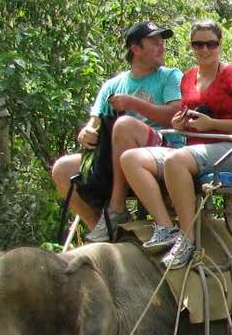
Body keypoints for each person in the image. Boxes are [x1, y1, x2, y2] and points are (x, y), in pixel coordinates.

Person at [120, 20, 232, 270]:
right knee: (131, 158)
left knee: (177, 160)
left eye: (210, 44)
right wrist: (179, 123)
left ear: (219, 45)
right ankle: (165, 226)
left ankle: (188, 240)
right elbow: (187, 118)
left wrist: (211, 124)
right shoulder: (187, 77)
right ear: (191, 47)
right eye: (198, 44)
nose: (204, 50)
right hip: (195, 149)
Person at [50, 21, 183, 241]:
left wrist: (133, 104)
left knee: (124, 125)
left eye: (162, 42)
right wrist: (87, 133)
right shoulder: (113, 85)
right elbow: (94, 122)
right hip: (115, 158)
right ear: (136, 49)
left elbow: (174, 115)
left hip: (163, 151)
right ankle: (104, 232)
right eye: (154, 42)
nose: (162, 47)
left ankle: (116, 209)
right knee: (62, 168)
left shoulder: (170, 76)